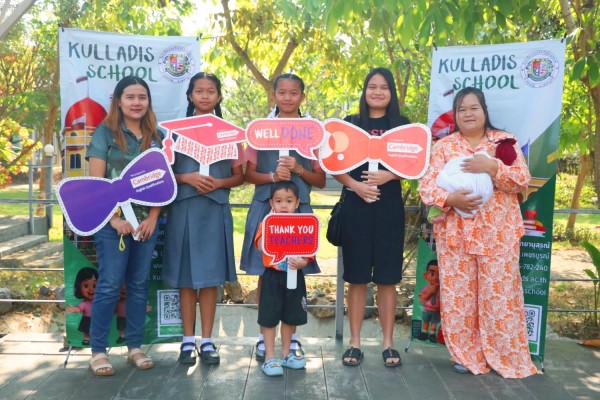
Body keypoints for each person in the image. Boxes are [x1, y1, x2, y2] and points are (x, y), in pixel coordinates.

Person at [418, 86, 537, 378]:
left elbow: (522, 180)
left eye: (474, 108)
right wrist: (451, 199)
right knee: (459, 299)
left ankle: (505, 358)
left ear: (484, 111)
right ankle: (467, 356)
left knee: (500, 299)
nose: (468, 114)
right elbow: (426, 187)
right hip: (456, 236)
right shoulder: (444, 147)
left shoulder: (504, 142)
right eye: (461, 109)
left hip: (498, 235)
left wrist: (493, 167)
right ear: (455, 115)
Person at [241, 73, 325, 362]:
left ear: (302, 96)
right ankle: (264, 339)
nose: (288, 98)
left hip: (298, 211)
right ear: (274, 95)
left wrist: (299, 169)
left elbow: (321, 180)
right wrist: (272, 176)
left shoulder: (313, 132)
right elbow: (247, 174)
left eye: (294, 92)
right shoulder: (259, 130)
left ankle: (293, 339)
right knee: (266, 272)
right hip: (266, 208)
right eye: (282, 92)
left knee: (295, 271)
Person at [162, 72, 243, 365]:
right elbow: (163, 172)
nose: (205, 95)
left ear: (219, 96)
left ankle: (207, 341)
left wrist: (219, 183)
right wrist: (187, 178)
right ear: (190, 96)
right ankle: (187, 341)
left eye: (211, 91)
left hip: (214, 210)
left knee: (210, 280)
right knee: (186, 279)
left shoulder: (231, 132)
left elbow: (240, 176)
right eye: (199, 91)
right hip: (184, 209)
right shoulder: (174, 133)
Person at [85, 76, 163, 376]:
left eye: (142, 97)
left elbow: (163, 183)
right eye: (130, 97)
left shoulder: (157, 135)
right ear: (118, 101)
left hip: (146, 225)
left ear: (148, 101)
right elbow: (96, 185)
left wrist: (153, 218)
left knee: (139, 286)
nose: (136, 102)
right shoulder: (105, 133)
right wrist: (114, 220)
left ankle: (135, 347)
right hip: (111, 224)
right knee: (108, 285)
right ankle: (98, 352)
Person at [333, 67, 409, 368]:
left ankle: (389, 344)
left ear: (392, 93)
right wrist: (356, 186)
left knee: (388, 279)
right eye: (372, 87)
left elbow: (415, 164)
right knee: (356, 277)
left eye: (384, 87)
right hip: (356, 207)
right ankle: (354, 343)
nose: (377, 92)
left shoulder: (402, 126)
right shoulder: (351, 124)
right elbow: (334, 165)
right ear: (365, 91)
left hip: (389, 209)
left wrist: (388, 175)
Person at [254, 181, 311, 376]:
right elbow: (260, 245)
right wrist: (272, 225)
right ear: (271, 203)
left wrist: (302, 262)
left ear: (297, 203)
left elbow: (308, 251)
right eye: (278, 201)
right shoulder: (266, 223)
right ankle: (269, 358)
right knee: (269, 318)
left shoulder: (303, 225)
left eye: (289, 201)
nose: (284, 205)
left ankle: (286, 355)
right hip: (272, 276)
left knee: (290, 316)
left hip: (295, 276)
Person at [66, 267, 98, 346]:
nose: (91, 289)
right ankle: (86, 339)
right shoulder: (84, 303)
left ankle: (97, 340)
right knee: (86, 331)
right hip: (87, 319)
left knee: (97, 331)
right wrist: (74, 309)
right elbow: (79, 309)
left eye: (94, 285)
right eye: (86, 286)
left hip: (97, 319)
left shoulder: (99, 302)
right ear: (79, 287)